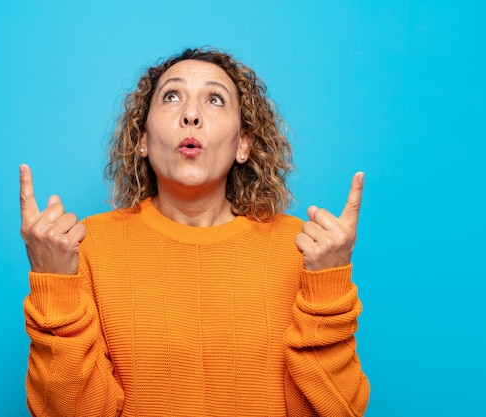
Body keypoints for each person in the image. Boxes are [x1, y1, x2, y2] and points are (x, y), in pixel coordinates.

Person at [20, 47, 370, 417]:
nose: (191, 115)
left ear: (243, 144)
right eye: (172, 96)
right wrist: (54, 285)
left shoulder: (303, 248)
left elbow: (336, 411)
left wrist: (327, 290)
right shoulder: (84, 247)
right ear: (141, 139)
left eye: (215, 100)